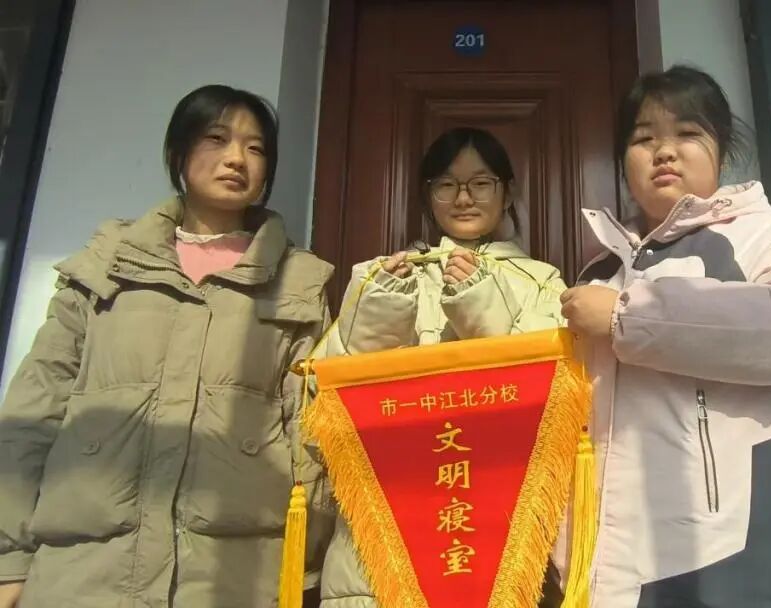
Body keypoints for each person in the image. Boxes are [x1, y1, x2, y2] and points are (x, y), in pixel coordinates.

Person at [0, 85, 334, 607]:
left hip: (232, 578)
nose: (236, 158)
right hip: (81, 575)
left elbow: (311, 437)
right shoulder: (107, 265)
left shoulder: (298, 283)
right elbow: (34, 411)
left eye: (255, 148)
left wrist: (305, 568)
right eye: (216, 139)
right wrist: (8, 559)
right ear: (178, 152)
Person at [559, 65, 771, 607]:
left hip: (741, 551)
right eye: (643, 139)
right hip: (610, 563)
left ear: (722, 149)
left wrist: (626, 317)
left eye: (688, 133)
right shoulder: (599, 271)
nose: (664, 152)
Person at [319, 127, 566, 607]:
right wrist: (381, 316)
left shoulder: (543, 282)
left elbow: (548, 402)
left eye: (481, 183)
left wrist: (480, 308)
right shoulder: (379, 277)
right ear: (427, 195)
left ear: (508, 192)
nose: (464, 198)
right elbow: (326, 409)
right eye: (447, 185)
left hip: (494, 516)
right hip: (386, 524)